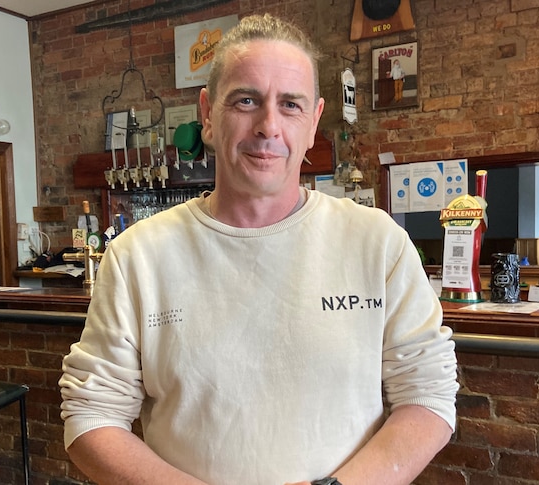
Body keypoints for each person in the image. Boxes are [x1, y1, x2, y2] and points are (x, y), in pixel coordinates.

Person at [59, 13, 458, 485]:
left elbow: (427, 395)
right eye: (246, 100)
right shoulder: (137, 257)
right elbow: (92, 416)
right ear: (207, 114)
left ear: (314, 122)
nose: (268, 126)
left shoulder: (378, 243)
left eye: (290, 105)